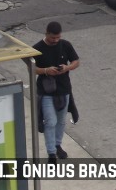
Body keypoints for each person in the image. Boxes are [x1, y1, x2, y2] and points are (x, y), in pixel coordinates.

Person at [33, 21, 80, 164]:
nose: (56, 40)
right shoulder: (37, 48)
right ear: (46, 33)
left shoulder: (65, 45)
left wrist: (67, 68)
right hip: (46, 90)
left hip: (63, 88)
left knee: (60, 121)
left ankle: (57, 145)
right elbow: (31, 68)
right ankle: (51, 153)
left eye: (58, 37)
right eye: (53, 38)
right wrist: (46, 70)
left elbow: (76, 61)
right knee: (50, 121)